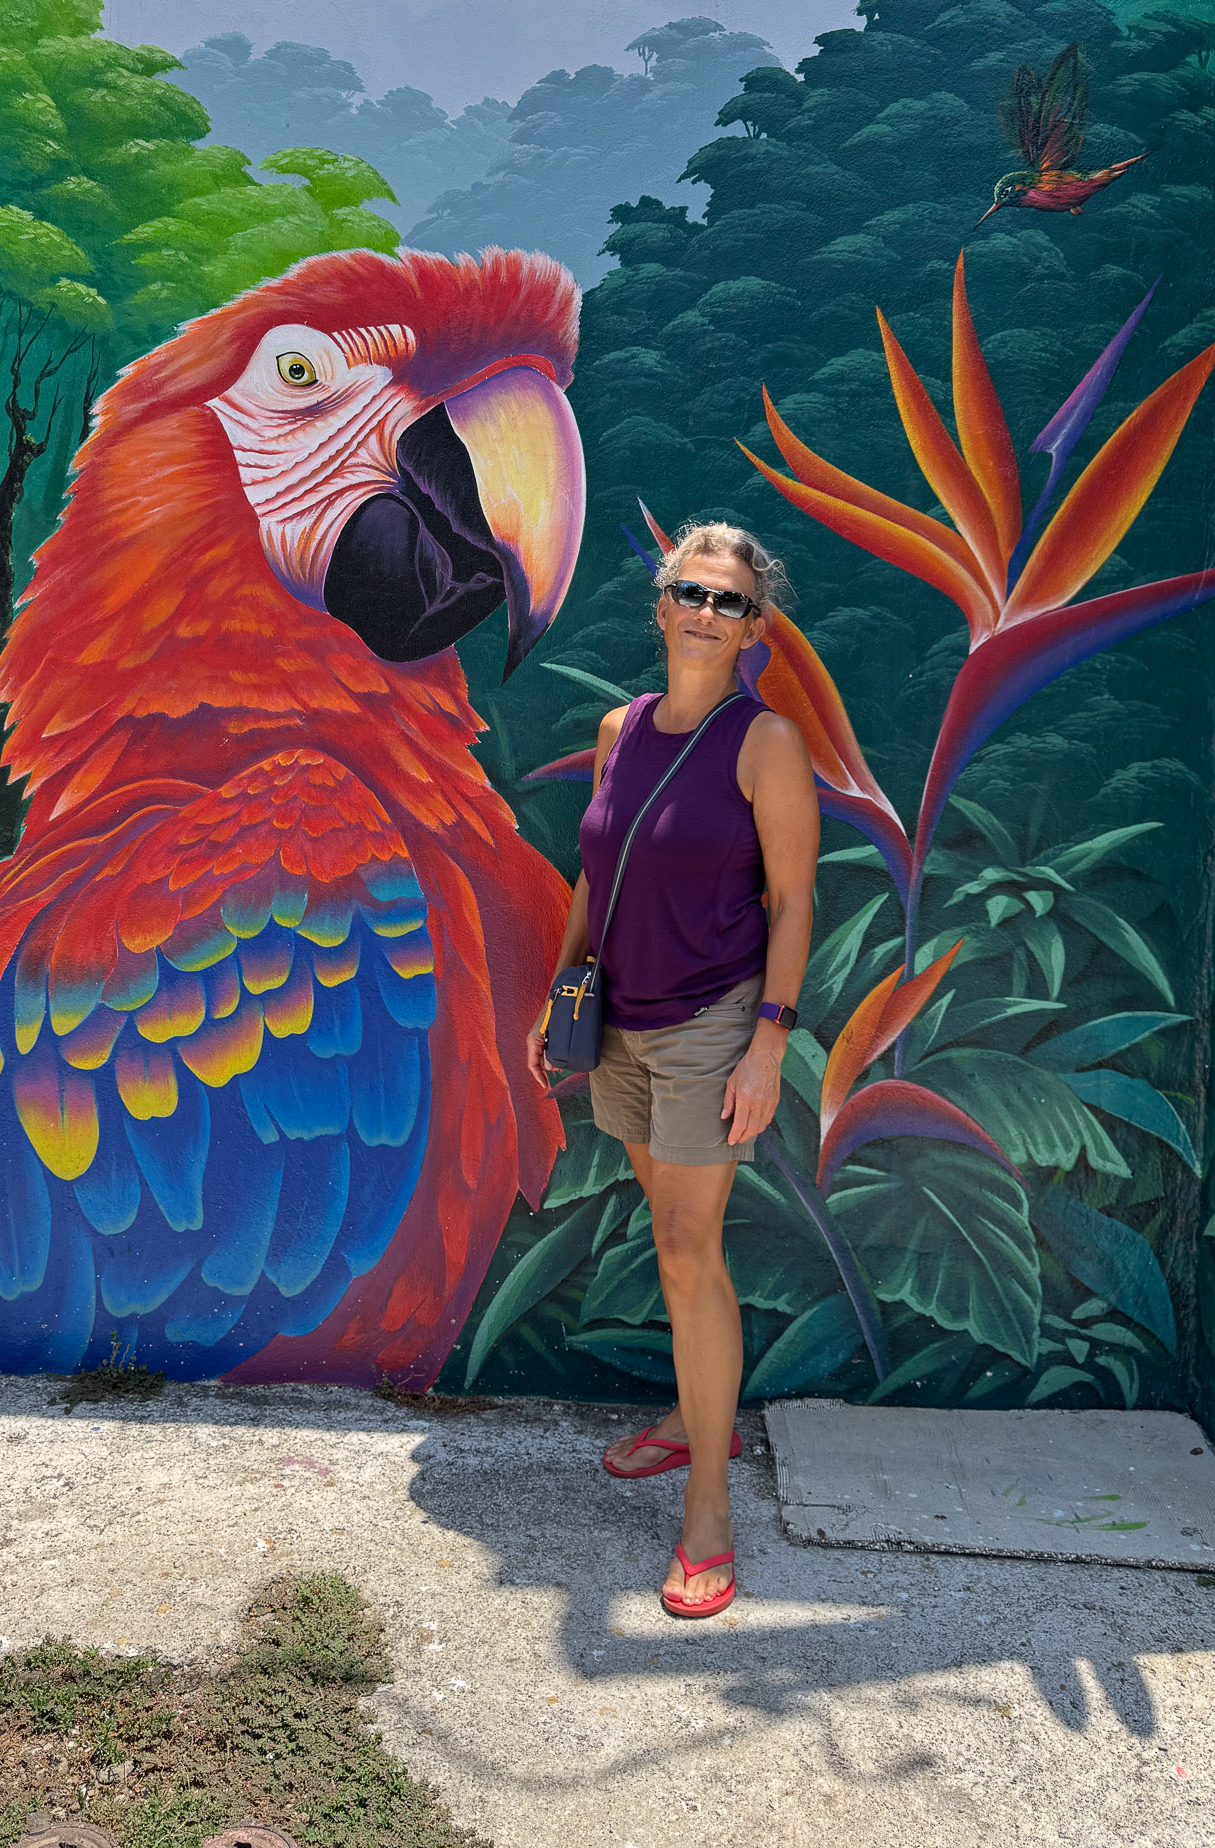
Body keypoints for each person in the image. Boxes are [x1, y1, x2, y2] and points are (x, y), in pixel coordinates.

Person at [527, 520, 819, 1618]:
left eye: (729, 600)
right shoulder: (621, 730)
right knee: (673, 1237)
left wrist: (769, 1041)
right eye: (690, 592)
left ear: (754, 627)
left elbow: (793, 902)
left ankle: (708, 1506)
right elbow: (593, 875)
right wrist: (560, 993)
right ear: (661, 606)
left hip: (711, 1024)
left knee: (688, 1249)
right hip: (620, 1023)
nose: (706, 612)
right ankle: (708, 1417)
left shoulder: (765, 743)